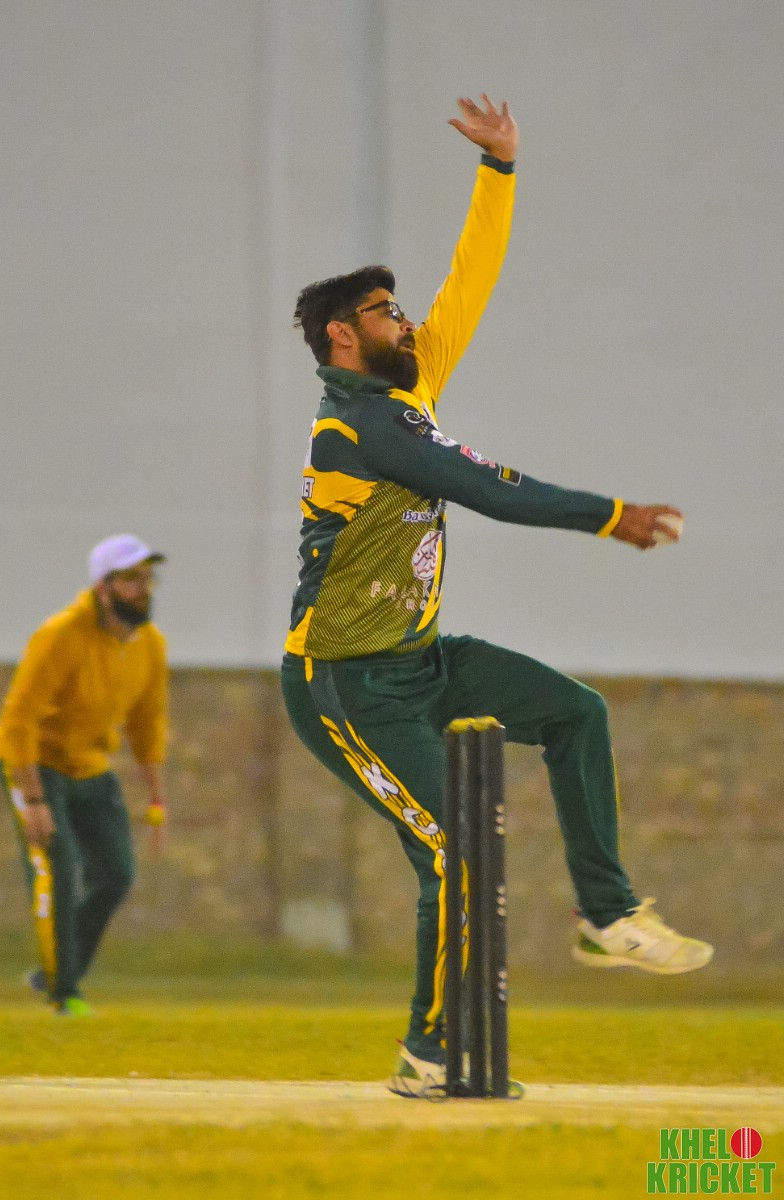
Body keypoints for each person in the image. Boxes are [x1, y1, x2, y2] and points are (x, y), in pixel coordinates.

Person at [281, 95, 713, 1096]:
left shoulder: (408, 391)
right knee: (456, 851)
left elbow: (468, 283)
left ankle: (606, 914)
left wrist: (499, 171)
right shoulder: (356, 428)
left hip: (421, 662)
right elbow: (488, 489)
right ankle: (429, 1052)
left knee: (575, 713)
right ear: (343, 336)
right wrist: (610, 515)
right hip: (342, 685)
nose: (406, 322)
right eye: (383, 312)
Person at [0, 534, 169, 1015]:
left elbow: (147, 724)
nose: (143, 588)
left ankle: (53, 970)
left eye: (147, 577)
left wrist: (156, 799)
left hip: (89, 764)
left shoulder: (150, 645)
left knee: (116, 875)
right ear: (103, 587)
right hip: (34, 764)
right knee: (58, 869)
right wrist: (33, 801)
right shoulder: (62, 635)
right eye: (130, 579)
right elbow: (18, 722)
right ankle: (63, 992)